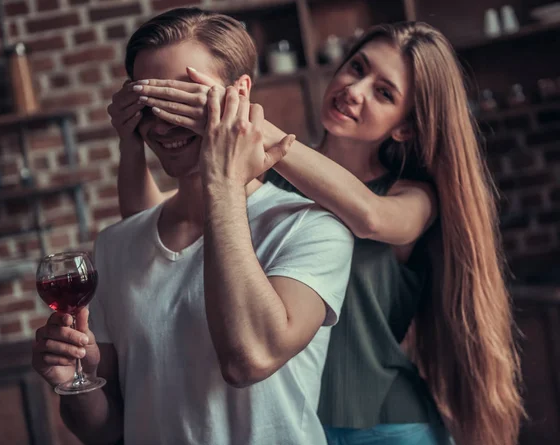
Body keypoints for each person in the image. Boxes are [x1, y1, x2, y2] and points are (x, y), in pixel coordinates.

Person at [113, 16, 525, 445]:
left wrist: (233, 116)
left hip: (388, 426)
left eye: (384, 93)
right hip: (299, 422)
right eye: (357, 67)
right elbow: (147, 227)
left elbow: (369, 217)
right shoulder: (267, 177)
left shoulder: (412, 197)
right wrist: (130, 143)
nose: (354, 90)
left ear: (404, 126)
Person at [31, 8, 356, 445]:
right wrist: (69, 378)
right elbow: (106, 430)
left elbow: (248, 360)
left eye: (184, 98)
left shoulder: (310, 228)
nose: (163, 123)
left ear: (240, 93)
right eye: (150, 102)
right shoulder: (115, 245)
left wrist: (222, 177)